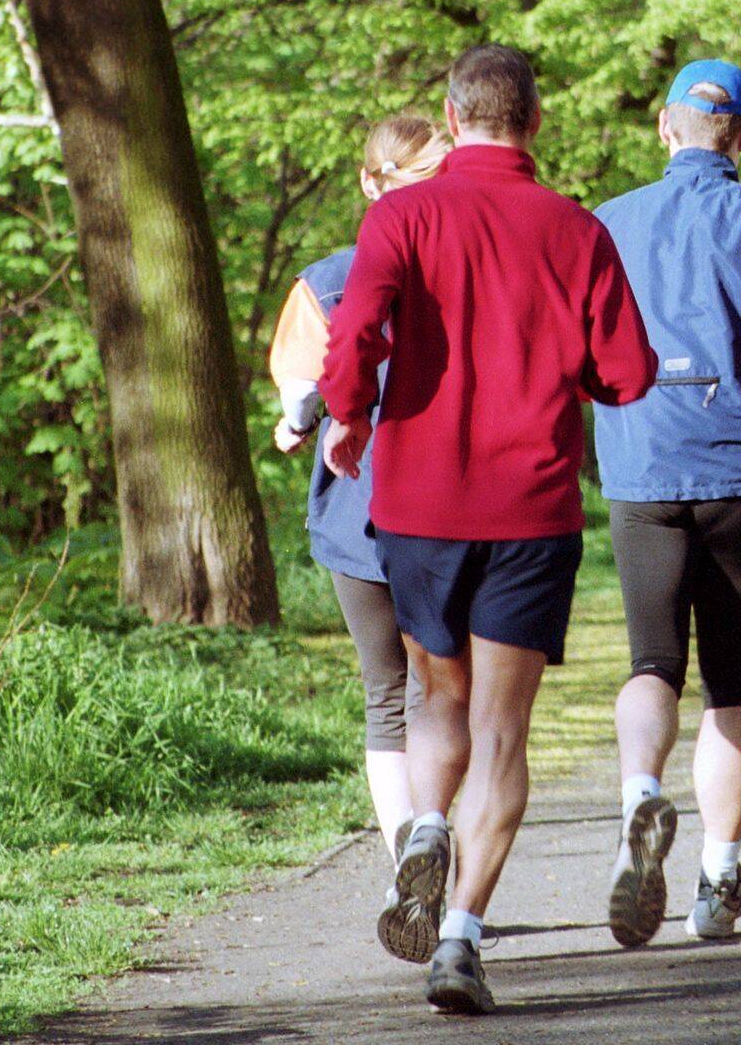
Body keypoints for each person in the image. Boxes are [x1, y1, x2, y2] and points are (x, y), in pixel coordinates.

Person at [319, 44, 657, 1015]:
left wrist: (348, 413)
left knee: (434, 697)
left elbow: (363, 329)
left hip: (419, 505)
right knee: (503, 730)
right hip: (529, 508)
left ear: (452, 117)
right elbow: (624, 373)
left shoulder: (400, 214)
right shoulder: (574, 228)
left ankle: (425, 823)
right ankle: (460, 935)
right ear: (535, 123)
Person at [589, 59, 741, 946]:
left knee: (652, 659)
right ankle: (717, 880)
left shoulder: (605, 223)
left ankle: (640, 797)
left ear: (664, 129)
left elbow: (573, 329)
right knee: (730, 677)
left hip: (640, 463)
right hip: (737, 465)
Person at [266, 114, 450, 965]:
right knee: (437, 693)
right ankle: (437, 854)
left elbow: (298, 398)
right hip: (451, 509)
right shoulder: (463, 276)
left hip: (356, 515)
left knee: (387, 696)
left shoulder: (326, 283)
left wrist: (295, 422)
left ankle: (406, 863)